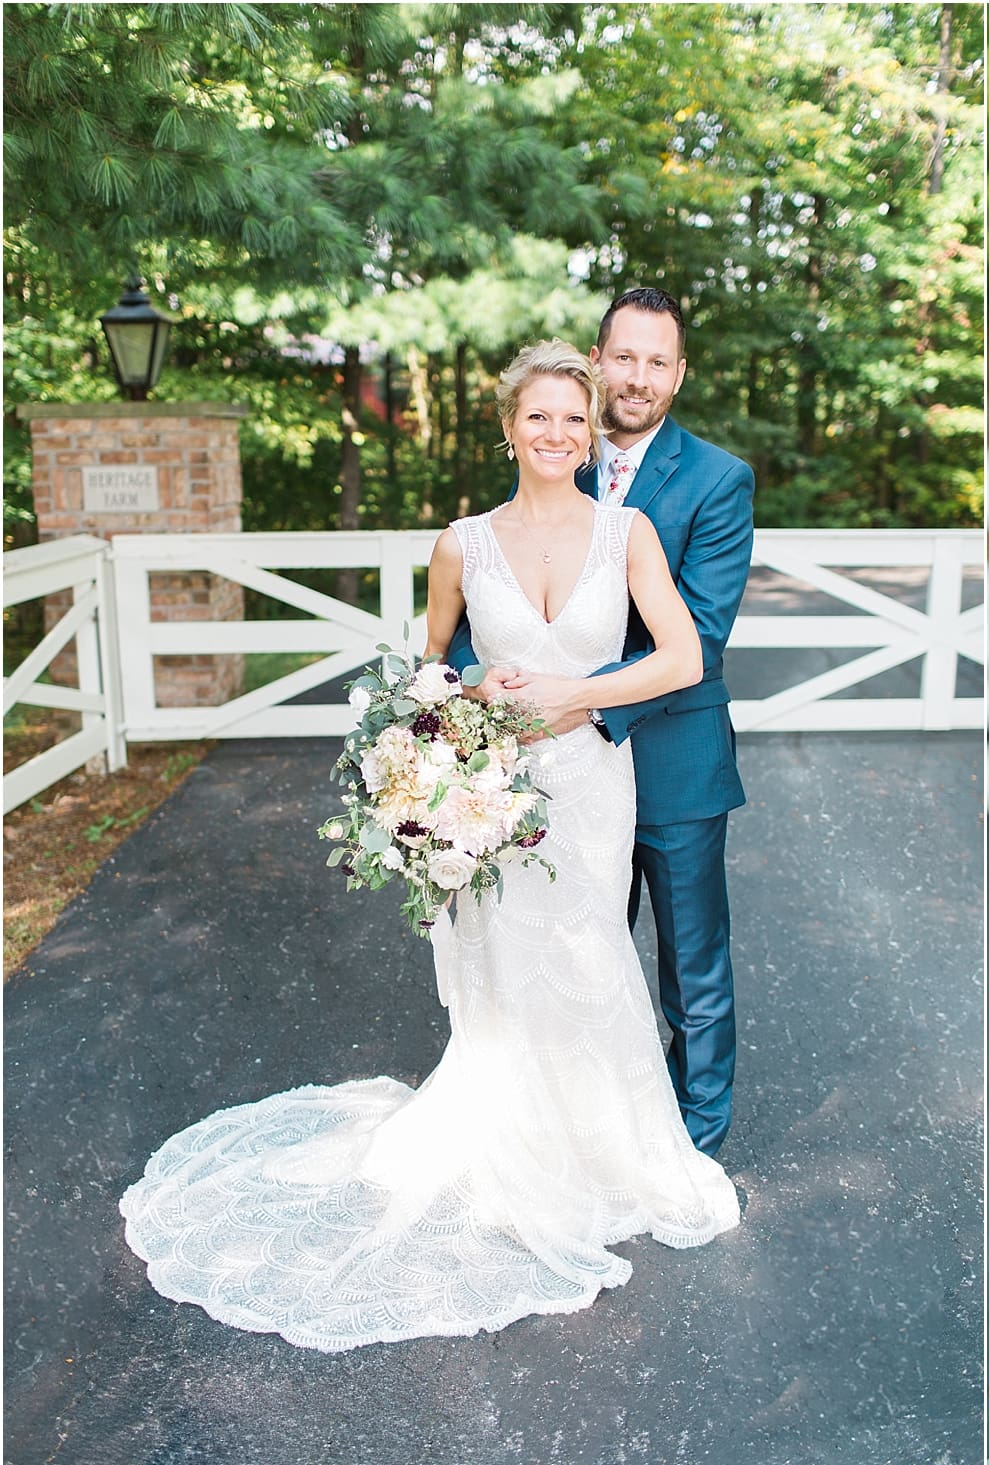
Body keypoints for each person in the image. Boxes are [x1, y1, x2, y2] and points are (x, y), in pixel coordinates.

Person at [120, 343, 739, 1351]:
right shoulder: (462, 543)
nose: (558, 434)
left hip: (587, 776)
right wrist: (469, 700)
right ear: (508, 427)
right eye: (540, 417)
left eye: (574, 420)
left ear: (591, 434)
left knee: (587, 948)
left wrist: (575, 695)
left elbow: (679, 654)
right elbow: (431, 665)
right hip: (497, 783)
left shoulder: (627, 535)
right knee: (510, 963)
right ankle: (514, 1144)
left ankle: (608, 1147)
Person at [453, 287, 754, 1158]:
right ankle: (582, 1128)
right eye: (624, 356)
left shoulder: (716, 480)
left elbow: (697, 630)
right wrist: (481, 677)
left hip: (672, 759)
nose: (638, 376)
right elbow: (489, 600)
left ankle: (693, 1141)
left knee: (689, 965)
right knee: (578, 953)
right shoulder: (557, 449)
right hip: (549, 771)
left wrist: (571, 696)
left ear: (679, 374)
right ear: (597, 358)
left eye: (658, 361)